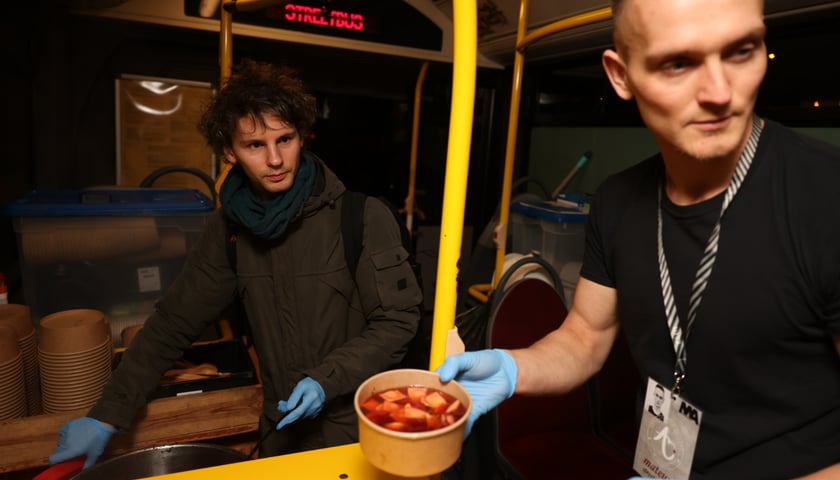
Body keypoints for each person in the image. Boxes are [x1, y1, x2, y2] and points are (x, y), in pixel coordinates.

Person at [437, 0, 840, 478]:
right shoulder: (617, 200)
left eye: (741, 51)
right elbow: (585, 337)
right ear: (620, 75)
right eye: (678, 63)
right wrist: (510, 368)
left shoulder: (825, 196)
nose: (720, 92)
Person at [48, 59, 423, 468]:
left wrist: (325, 380)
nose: (276, 159)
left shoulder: (361, 217)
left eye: (286, 139)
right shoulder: (229, 229)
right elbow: (173, 323)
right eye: (255, 146)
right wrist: (106, 414)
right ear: (230, 151)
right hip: (280, 430)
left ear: (302, 138)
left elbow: (398, 321)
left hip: (356, 430)